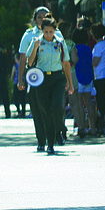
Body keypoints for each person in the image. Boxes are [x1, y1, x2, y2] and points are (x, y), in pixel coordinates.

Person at [26, 18, 74, 154]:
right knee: (46, 112)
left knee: (58, 106)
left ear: (55, 31)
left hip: (57, 78)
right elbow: (30, 62)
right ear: (42, 30)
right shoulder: (36, 41)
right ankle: (51, 144)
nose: (48, 35)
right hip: (42, 79)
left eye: (51, 32)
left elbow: (65, 63)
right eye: (46, 32)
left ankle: (60, 127)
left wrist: (70, 83)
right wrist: (35, 47)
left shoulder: (59, 42)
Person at [17, 7, 56, 149]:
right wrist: (20, 79)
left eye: (45, 16)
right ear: (35, 19)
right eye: (39, 17)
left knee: (53, 108)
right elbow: (23, 58)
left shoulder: (56, 35)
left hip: (52, 76)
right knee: (38, 110)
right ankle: (41, 140)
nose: (42, 19)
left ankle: (55, 134)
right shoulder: (29, 35)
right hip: (35, 77)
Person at [70, 27, 97, 138]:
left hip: (78, 78)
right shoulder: (88, 49)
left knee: (79, 103)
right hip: (88, 77)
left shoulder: (74, 49)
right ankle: (92, 128)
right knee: (89, 104)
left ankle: (82, 127)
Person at [91, 23, 105, 134]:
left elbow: (95, 62)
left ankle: (104, 124)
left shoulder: (98, 46)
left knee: (101, 99)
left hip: (100, 76)